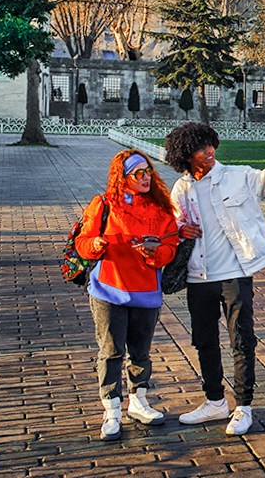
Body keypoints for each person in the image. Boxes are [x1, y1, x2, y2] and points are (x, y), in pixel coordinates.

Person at [166, 121, 265, 436]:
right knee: (204, 341)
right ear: (185, 155)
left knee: (241, 339)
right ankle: (214, 400)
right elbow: (173, 227)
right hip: (199, 276)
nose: (208, 152)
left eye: (210, 145)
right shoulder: (181, 189)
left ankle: (243, 406)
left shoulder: (237, 177)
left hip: (235, 274)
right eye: (199, 148)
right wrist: (180, 230)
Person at [74, 149, 179, 440]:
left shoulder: (160, 210)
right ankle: (111, 409)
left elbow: (171, 248)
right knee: (110, 351)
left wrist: (155, 254)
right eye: (138, 173)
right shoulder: (104, 204)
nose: (146, 178)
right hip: (108, 289)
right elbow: (82, 242)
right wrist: (95, 244)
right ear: (123, 177)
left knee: (140, 352)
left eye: (148, 172)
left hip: (146, 291)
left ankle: (138, 401)